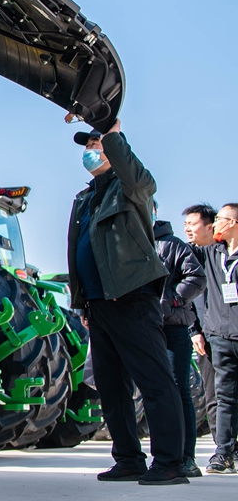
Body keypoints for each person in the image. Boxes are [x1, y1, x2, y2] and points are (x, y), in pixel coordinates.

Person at [65, 120, 186, 485]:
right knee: (112, 387)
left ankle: (170, 463)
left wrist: (113, 136)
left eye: (97, 144)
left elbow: (137, 177)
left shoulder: (131, 188)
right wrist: (82, 303)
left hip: (131, 297)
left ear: (115, 148)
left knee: (154, 381)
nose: (90, 150)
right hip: (98, 305)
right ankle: (129, 458)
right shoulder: (84, 198)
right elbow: (78, 251)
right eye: (87, 145)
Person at [153, 201, 207, 475]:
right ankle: (162, 455)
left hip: (173, 328)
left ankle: (187, 457)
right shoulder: (128, 243)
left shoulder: (171, 244)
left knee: (179, 389)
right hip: (143, 329)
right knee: (153, 391)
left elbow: (197, 277)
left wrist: (172, 299)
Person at [194, 203, 238, 474]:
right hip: (220, 337)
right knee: (225, 397)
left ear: (232, 223)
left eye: (219, 219)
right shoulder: (210, 255)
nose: (214, 225)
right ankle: (223, 453)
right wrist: (196, 330)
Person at [185, 204, 219, 440]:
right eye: (186, 224)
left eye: (193, 223)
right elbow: (183, 298)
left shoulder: (225, 254)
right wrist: (194, 330)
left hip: (229, 332)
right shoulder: (186, 256)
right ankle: (224, 447)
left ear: (210, 227)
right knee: (213, 393)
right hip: (204, 336)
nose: (188, 228)